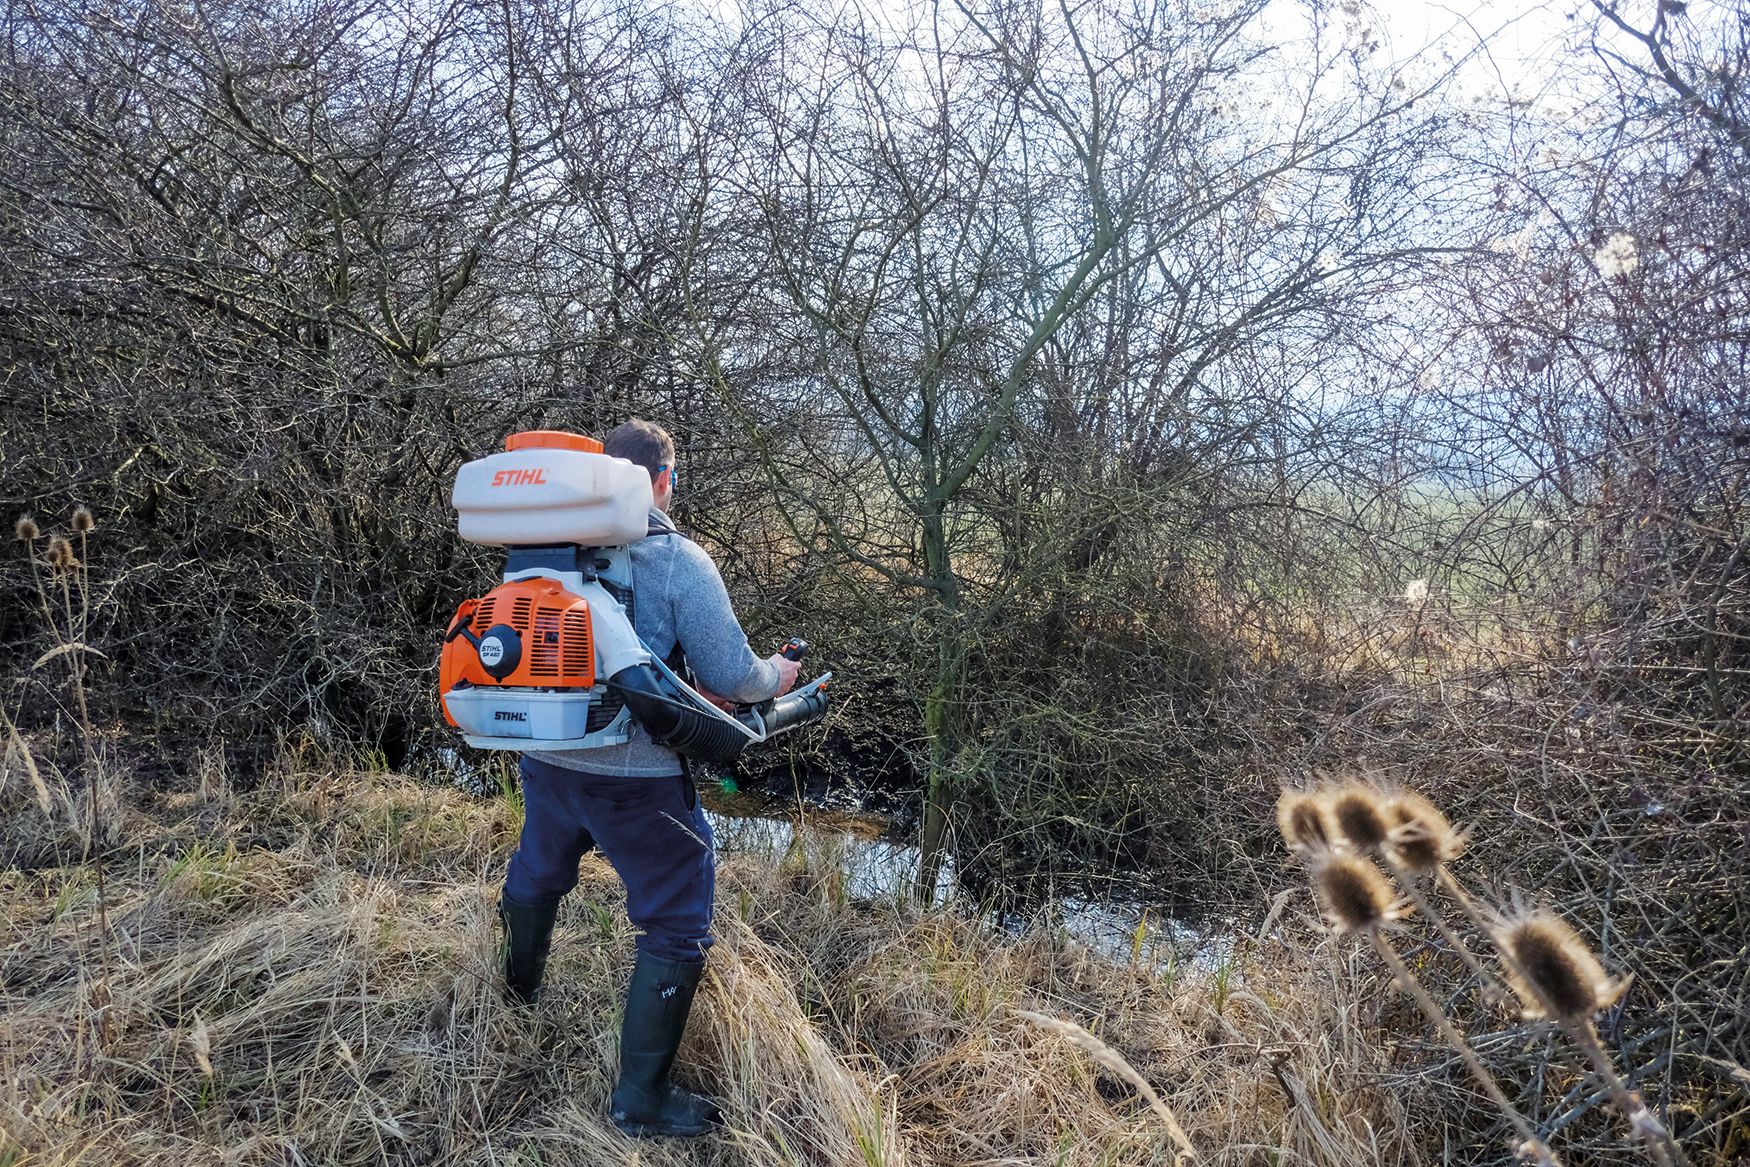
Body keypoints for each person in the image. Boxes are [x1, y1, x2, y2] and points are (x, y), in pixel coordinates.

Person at [495, 418, 800, 1138]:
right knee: (676, 918)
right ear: (662, 482)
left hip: (546, 757)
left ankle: (513, 996)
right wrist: (778, 676)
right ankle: (640, 1101)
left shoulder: (544, 550)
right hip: (636, 776)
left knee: (538, 872)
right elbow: (735, 676)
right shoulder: (679, 560)